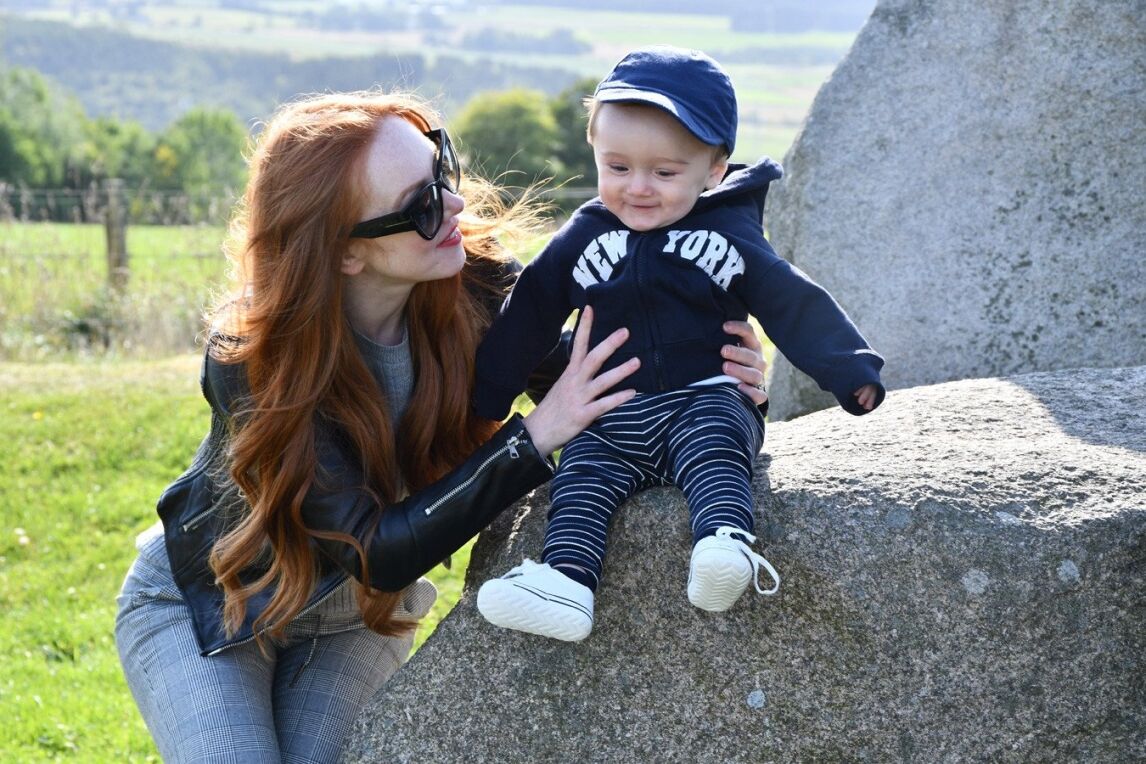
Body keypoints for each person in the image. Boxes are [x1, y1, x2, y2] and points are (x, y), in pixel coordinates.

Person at [113, 89, 769, 763]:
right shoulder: (253, 358)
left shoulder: (477, 285)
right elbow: (374, 549)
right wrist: (534, 437)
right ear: (345, 252)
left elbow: (609, 381)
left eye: (441, 172)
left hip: (358, 619)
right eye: (422, 205)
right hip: (215, 606)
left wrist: (719, 381)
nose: (454, 205)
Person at [473, 46, 886, 642]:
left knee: (716, 444)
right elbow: (531, 308)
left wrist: (849, 368)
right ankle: (566, 583)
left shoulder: (728, 230)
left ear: (713, 169)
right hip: (612, 414)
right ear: (595, 153)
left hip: (705, 395)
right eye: (617, 167)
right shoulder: (585, 233)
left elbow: (788, 296)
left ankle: (723, 544)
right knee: (580, 474)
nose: (638, 188)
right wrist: (489, 391)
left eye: (665, 173)